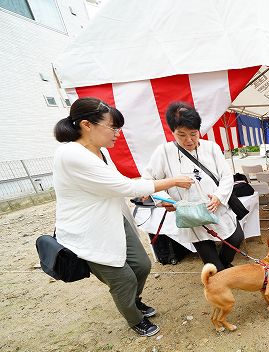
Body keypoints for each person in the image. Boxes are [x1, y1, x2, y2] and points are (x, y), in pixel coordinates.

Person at [53, 97, 194, 336]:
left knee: (141, 265)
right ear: (87, 125)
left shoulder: (99, 153)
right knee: (123, 279)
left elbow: (121, 186)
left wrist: (154, 194)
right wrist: (173, 181)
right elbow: (127, 188)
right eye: (112, 127)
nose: (117, 133)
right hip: (90, 231)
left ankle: (133, 299)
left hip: (114, 221)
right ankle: (134, 318)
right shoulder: (71, 154)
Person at [143, 102, 245, 272]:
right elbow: (148, 180)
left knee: (235, 238)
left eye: (193, 133)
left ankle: (223, 270)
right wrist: (166, 201)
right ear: (172, 132)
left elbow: (227, 176)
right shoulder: (163, 152)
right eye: (181, 135)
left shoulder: (211, 148)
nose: (189, 140)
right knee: (212, 261)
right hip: (192, 216)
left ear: (199, 130)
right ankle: (220, 278)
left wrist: (219, 196)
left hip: (216, 207)